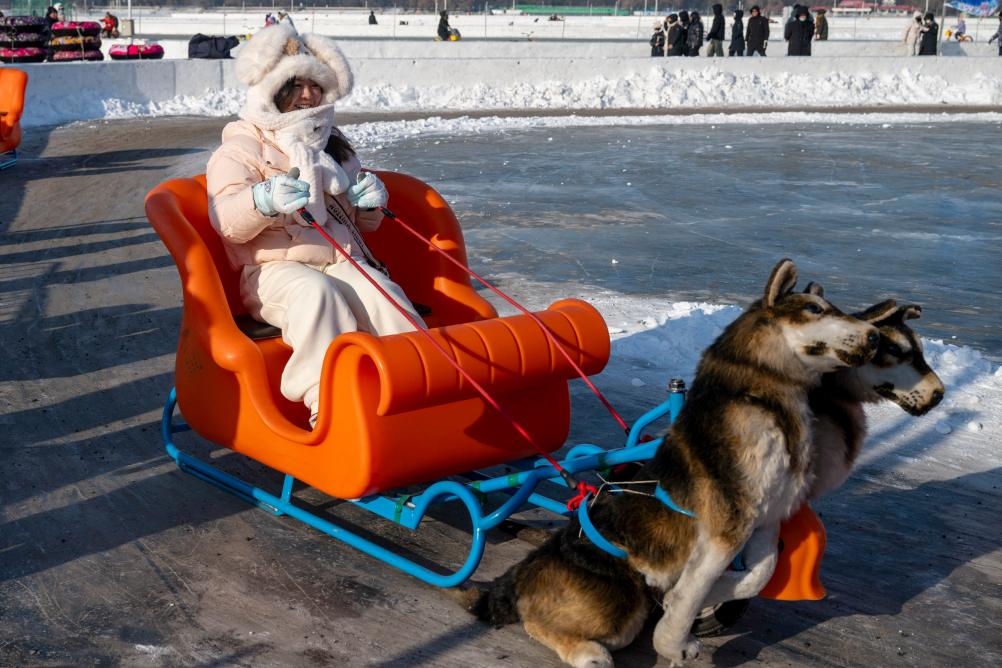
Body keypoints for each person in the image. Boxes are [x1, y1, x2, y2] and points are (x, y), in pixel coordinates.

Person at [206, 25, 425, 428]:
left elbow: (363, 225)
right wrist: (262, 201)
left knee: (381, 293)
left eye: (315, 85)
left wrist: (370, 202)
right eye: (295, 85)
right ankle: (330, 408)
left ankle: (420, 387)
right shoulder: (240, 147)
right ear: (271, 90)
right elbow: (228, 222)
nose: (307, 96)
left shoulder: (332, 144)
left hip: (337, 260)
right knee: (316, 295)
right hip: (273, 270)